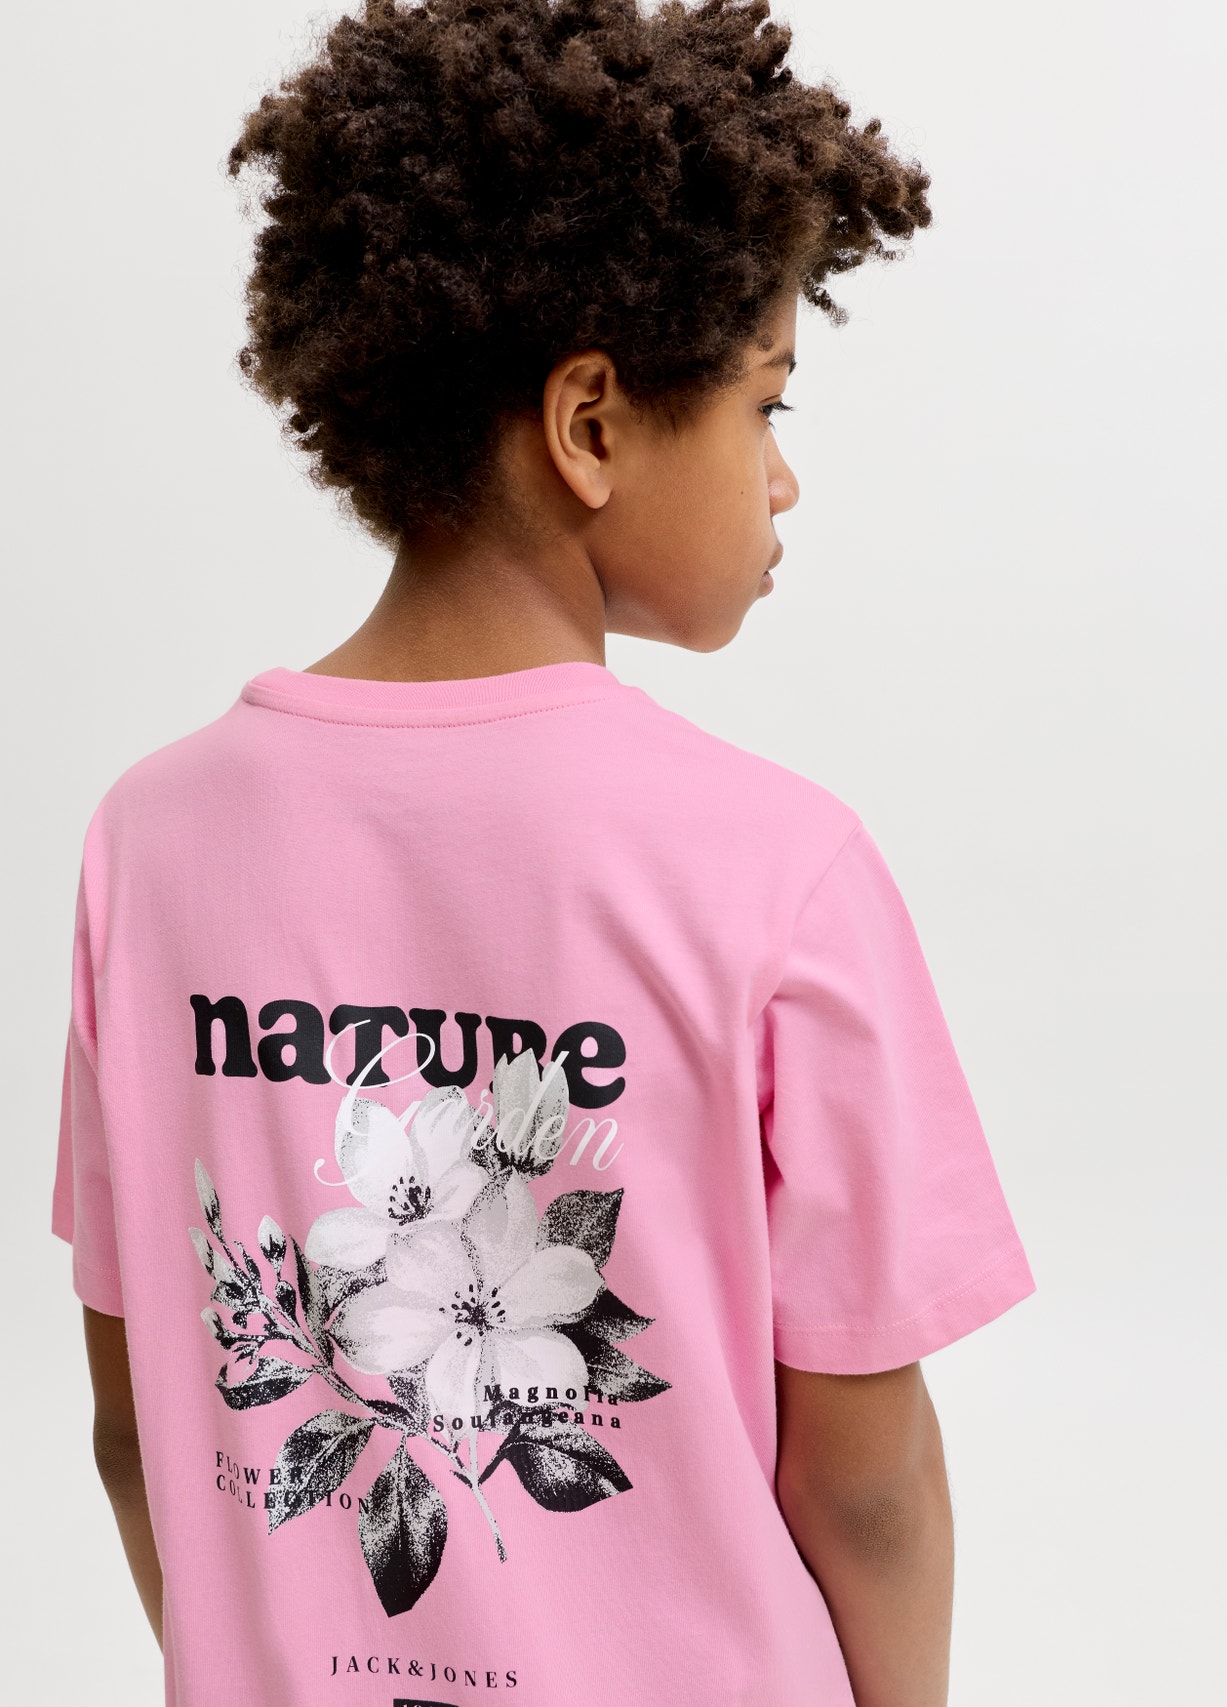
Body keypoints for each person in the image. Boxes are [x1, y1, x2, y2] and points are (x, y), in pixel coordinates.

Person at [54, 3, 1035, 1703]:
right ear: (590, 422)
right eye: (764, 406)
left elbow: (142, 1428)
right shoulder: (776, 869)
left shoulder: (151, 844)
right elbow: (866, 1489)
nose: (785, 482)